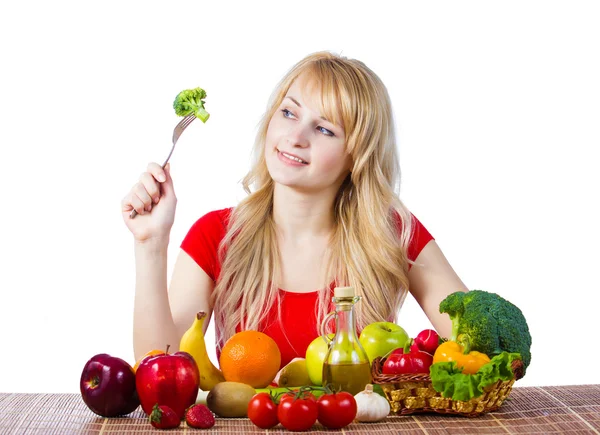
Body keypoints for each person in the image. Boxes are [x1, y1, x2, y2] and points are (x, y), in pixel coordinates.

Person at [122, 51, 468, 367]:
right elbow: (158, 365)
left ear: (357, 156)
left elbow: (476, 343)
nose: (295, 136)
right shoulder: (216, 234)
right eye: (289, 112)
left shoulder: (392, 232)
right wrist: (150, 245)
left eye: (324, 129)